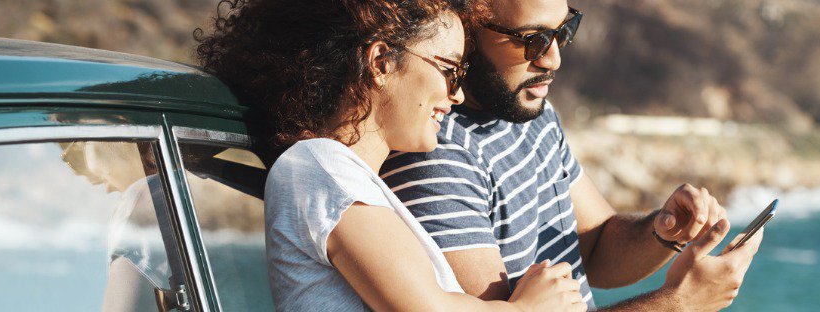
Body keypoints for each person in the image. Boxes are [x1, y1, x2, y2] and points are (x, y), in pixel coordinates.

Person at [196, 0, 585, 310]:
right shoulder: (320, 167)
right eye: (450, 69)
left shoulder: (339, 177)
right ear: (381, 62)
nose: (458, 94)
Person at [379, 0, 766, 310]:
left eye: (563, 31)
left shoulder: (530, 111)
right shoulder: (432, 154)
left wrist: (661, 231)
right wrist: (680, 303)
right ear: (464, 30)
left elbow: (595, 247)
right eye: (530, 39)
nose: (552, 59)